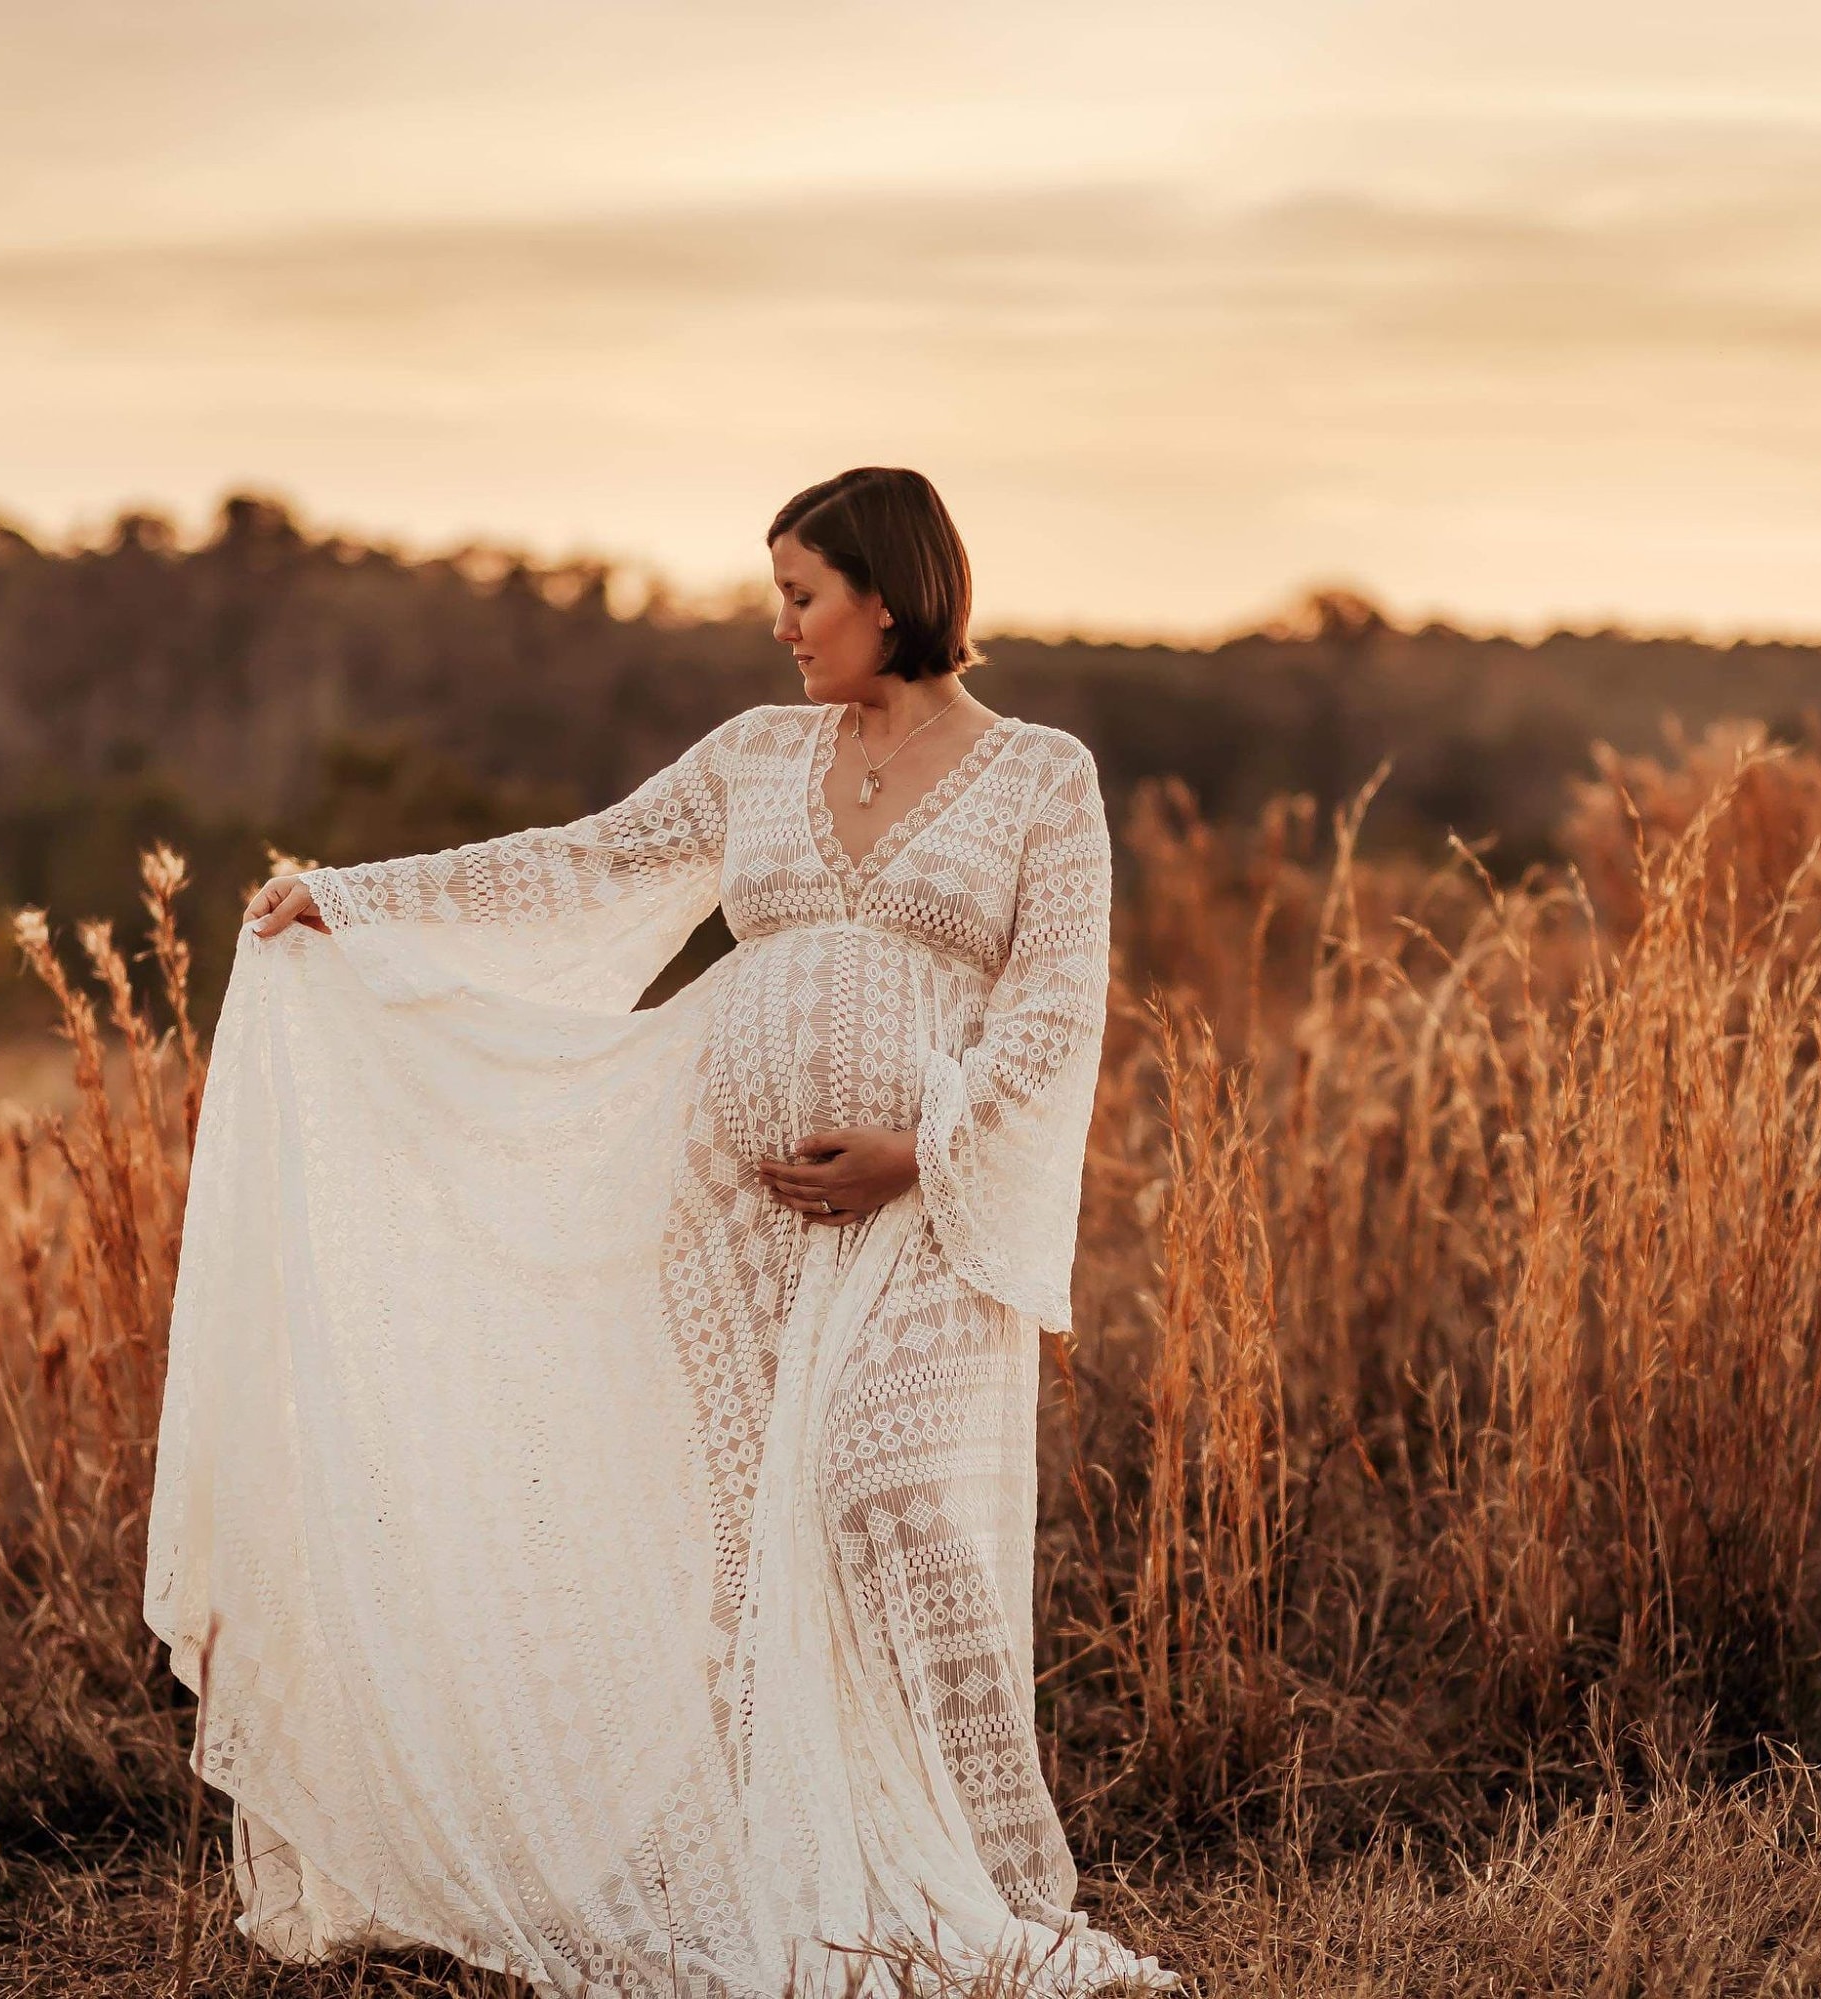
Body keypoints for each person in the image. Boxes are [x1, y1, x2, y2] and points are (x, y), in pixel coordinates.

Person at [144, 466, 1172, 1998]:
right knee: (745, 1543)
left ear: (890, 594)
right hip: (734, 1218)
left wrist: (920, 1149)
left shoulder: (1041, 776)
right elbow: (583, 860)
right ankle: (782, 1860)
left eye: (802, 595)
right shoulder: (761, 756)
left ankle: (979, 1868)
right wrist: (357, 903)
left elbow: (1054, 1001)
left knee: (885, 1494)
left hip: (924, 1210)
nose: (781, 627)